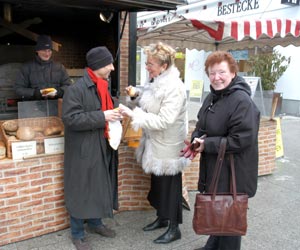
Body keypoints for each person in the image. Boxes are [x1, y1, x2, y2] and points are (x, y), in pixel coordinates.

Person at [119, 42, 189, 244]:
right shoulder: (157, 81)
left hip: (168, 146)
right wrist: (135, 96)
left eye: (151, 63)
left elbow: (165, 120)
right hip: (156, 143)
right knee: (158, 185)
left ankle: (174, 228)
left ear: (164, 66)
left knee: (171, 188)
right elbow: (151, 103)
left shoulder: (174, 88)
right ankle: (161, 218)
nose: (147, 67)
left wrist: (134, 114)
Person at [190, 51, 260, 250]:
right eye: (212, 73)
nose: (216, 77)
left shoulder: (242, 101)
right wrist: (196, 139)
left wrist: (207, 144)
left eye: (221, 72)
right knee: (218, 207)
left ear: (232, 72)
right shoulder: (212, 96)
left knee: (229, 217)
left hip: (234, 170)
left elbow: (242, 139)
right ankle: (213, 245)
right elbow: (202, 124)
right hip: (216, 166)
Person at [62, 46, 122, 250]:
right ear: (98, 66)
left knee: (98, 185)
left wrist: (118, 108)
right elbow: (70, 119)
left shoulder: (102, 85)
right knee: (80, 189)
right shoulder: (75, 89)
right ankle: (77, 234)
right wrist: (103, 116)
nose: (113, 68)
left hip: (102, 144)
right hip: (82, 150)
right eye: (109, 64)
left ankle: (96, 223)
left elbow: (106, 107)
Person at [15, 35, 71, 100]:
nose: (47, 54)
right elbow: (18, 89)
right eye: (44, 50)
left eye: (49, 50)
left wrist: (58, 92)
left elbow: (68, 86)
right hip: (33, 106)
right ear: (37, 50)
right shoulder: (26, 68)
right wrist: (35, 93)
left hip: (56, 105)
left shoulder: (60, 67)